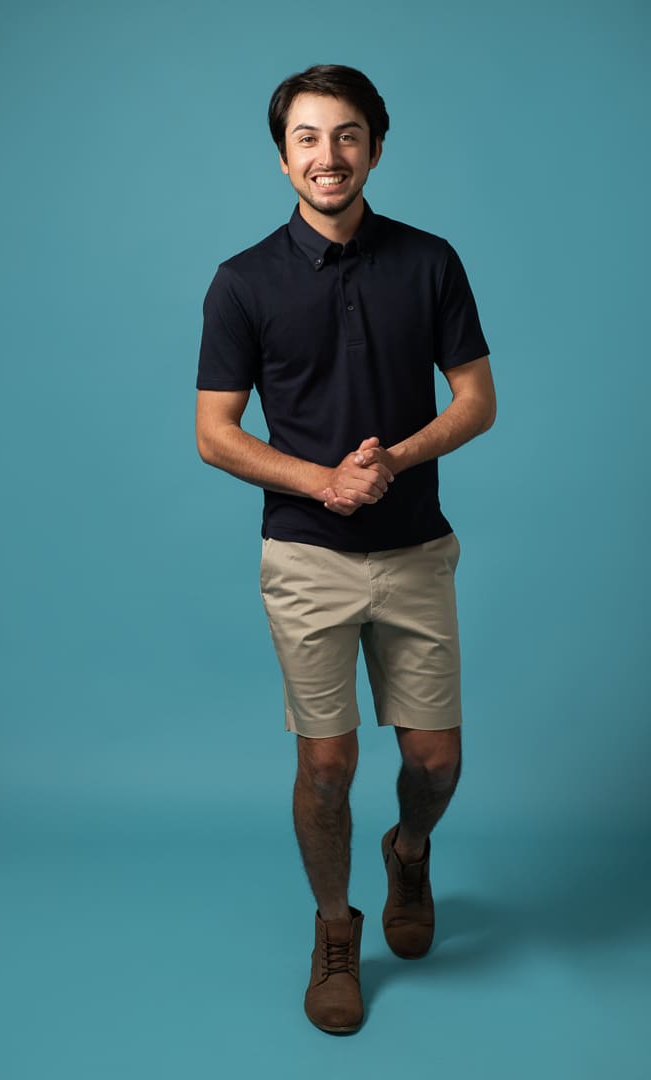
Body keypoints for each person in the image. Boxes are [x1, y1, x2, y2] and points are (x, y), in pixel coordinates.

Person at [195, 64, 495, 1034]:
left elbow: (477, 400)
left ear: (375, 145)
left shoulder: (431, 261)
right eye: (311, 138)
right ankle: (335, 927)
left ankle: (408, 853)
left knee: (437, 764)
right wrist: (323, 480)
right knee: (326, 767)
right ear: (284, 155)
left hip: (415, 550)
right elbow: (215, 432)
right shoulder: (242, 282)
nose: (330, 157)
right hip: (306, 556)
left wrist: (394, 459)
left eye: (350, 135)